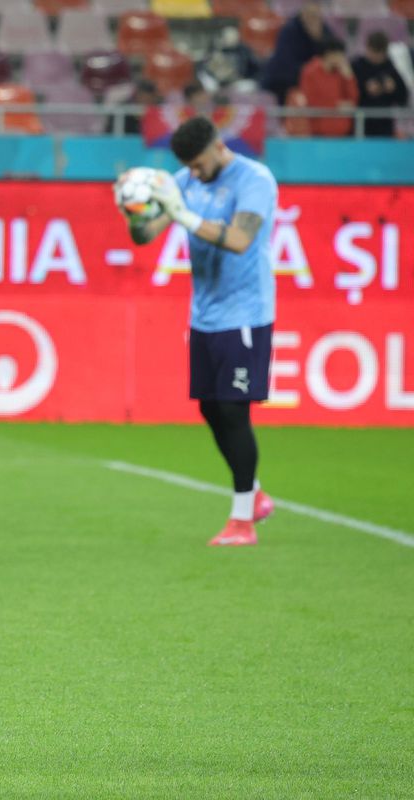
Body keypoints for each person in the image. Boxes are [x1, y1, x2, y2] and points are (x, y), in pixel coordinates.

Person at [114, 116, 277, 546]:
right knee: (210, 408)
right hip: (205, 315)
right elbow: (146, 235)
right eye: (189, 166)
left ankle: (243, 520)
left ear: (218, 146)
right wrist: (135, 212)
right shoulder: (184, 180)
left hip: (245, 314)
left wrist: (181, 212)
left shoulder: (254, 179)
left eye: (200, 164)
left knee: (233, 411)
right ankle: (255, 493)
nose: (196, 173)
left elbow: (241, 240)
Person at [259, 0, 326, 104]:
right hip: (281, 83)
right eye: (309, 14)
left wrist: (317, 38)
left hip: (307, 82)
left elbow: (329, 54)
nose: (312, 18)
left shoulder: (323, 29)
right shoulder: (290, 30)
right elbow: (285, 62)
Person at [352, 31, 410, 138]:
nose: (376, 57)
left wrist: (394, 89)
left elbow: (403, 98)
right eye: (373, 52)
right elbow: (348, 94)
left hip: (384, 124)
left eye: (379, 54)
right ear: (367, 48)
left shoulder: (390, 68)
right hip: (360, 122)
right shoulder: (356, 66)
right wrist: (364, 89)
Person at [297, 37, 358, 136]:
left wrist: (349, 78)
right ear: (329, 54)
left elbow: (353, 100)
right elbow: (310, 100)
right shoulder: (310, 72)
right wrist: (336, 105)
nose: (342, 59)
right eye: (340, 55)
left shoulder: (341, 72)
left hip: (343, 134)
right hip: (318, 134)